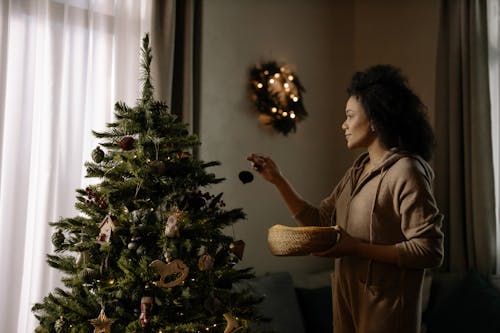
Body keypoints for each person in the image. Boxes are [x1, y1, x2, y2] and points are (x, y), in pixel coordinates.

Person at [247, 64, 444, 333]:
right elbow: (320, 219)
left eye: (350, 116)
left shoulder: (406, 171)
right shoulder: (357, 171)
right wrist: (278, 181)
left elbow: (429, 250)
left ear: (375, 119)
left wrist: (355, 248)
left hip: (388, 318)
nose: (344, 125)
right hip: (346, 310)